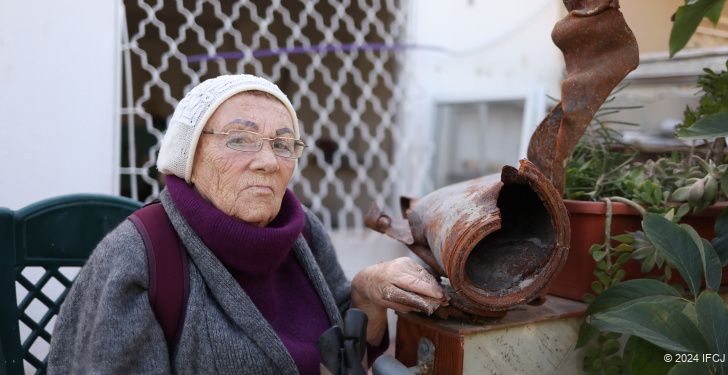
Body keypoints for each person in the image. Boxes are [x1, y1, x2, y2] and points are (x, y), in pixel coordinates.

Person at [48, 74, 444, 374]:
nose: (268, 162)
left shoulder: (304, 231)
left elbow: (347, 356)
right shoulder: (140, 254)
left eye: (284, 144)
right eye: (240, 139)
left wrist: (367, 294)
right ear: (190, 156)